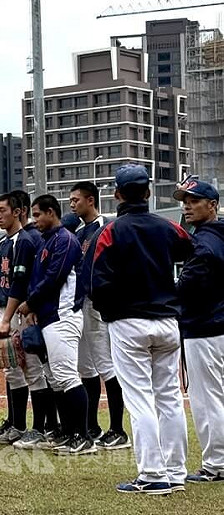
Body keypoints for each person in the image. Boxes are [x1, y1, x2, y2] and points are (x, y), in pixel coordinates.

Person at [90, 164, 193, 494]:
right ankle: (176, 472)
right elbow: (192, 251)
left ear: (118, 194)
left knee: (140, 400)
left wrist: (112, 311)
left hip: (129, 322)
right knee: (170, 398)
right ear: (148, 192)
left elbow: (96, 282)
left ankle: (152, 474)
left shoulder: (111, 231)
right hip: (166, 321)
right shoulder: (167, 227)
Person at [19, 194, 92, 455]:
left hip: (63, 315)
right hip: (50, 316)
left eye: (38, 214)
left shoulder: (65, 239)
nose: (34, 220)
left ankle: (83, 436)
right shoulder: (47, 241)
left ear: (51, 212)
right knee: (56, 379)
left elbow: (54, 278)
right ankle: (70, 432)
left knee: (66, 376)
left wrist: (30, 303)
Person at [0, 192, 51, 449]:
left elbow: (20, 283)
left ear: (17, 212)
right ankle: (17, 425)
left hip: (20, 312)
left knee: (32, 369)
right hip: (3, 311)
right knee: (12, 370)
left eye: (3, 210)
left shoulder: (24, 241)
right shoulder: (4, 242)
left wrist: (8, 317)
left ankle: (39, 428)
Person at [68, 181, 129, 450]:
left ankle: (118, 429)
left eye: (76, 200)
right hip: (80, 304)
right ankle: (91, 426)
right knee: (86, 368)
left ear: (91, 200)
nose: (72, 205)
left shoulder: (107, 226)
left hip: (98, 304)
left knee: (106, 365)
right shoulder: (79, 232)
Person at [174, 177, 224, 483]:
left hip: (206, 329)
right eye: (185, 200)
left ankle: (216, 464)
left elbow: (187, 287)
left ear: (212, 205)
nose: (187, 206)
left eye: (194, 200)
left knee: (208, 401)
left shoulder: (204, 242)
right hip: (217, 325)